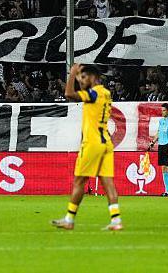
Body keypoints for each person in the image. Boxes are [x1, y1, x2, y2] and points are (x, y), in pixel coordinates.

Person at [52, 64, 122, 231]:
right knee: (108, 182)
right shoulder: (105, 93)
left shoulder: (94, 93)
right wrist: (78, 77)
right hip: (106, 142)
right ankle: (116, 221)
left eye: (84, 77)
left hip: (92, 143)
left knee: (79, 181)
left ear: (93, 77)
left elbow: (69, 94)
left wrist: (71, 74)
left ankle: (69, 219)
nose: (81, 81)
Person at [149, 103, 168, 196]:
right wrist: (153, 141)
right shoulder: (161, 121)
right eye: (162, 110)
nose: (162, 112)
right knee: (163, 168)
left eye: (164, 110)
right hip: (161, 146)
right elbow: (159, 132)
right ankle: (166, 191)